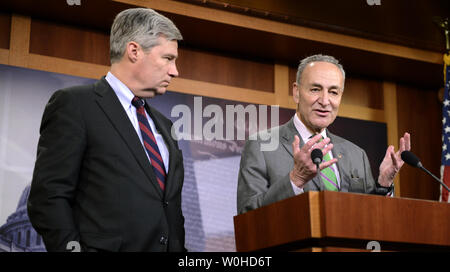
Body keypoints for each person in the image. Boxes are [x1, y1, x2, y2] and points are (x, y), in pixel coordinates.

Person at [27, 8, 186, 251]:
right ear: (134, 51)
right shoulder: (76, 105)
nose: (175, 71)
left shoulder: (166, 126)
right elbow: (48, 198)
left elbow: (171, 211)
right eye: (168, 58)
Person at [237, 54, 410, 214]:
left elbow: (370, 217)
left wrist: (383, 184)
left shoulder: (356, 154)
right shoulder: (261, 145)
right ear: (296, 92)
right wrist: (295, 179)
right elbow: (248, 214)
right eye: (315, 89)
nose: (325, 101)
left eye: (333, 92)